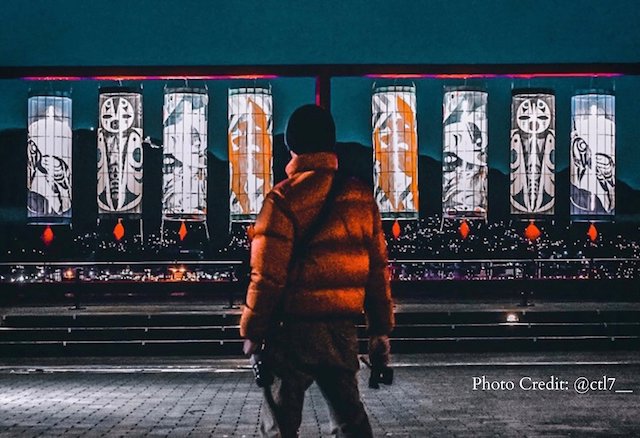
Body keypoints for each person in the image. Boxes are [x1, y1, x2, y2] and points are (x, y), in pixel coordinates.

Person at [240, 104, 394, 437]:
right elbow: (377, 271)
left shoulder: (282, 199)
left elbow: (267, 275)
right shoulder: (359, 197)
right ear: (332, 144)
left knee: (280, 424)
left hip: (290, 331)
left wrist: (253, 330)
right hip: (341, 330)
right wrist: (380, 330)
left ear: (290, 146)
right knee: (349, 419)